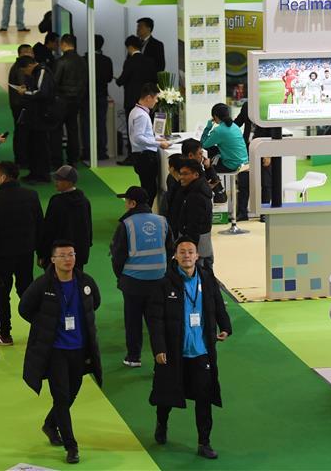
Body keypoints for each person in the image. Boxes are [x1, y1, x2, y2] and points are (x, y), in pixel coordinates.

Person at [19, 240, 102, 465]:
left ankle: (50, 423)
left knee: (72, 392)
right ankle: (71, 446)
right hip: (55, 351)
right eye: (63, 255)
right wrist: (44, 324)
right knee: (62, 397)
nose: (68, 259)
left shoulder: (86, 282)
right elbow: (24, 308)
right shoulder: (42, 285)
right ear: (53, 259)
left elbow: (94, 303)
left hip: (79, 349)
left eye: (71, 254)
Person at [150, 236, 231, 460]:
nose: (187, 255)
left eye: (190, 251)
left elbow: (218, 304)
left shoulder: (207, 279)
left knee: (204, 397)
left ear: (197, 255)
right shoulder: (164, 283)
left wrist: (225, 327)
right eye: (182, 252)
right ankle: (162, 423)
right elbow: (155, 320)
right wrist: (159, 348)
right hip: (173, 352)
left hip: (202, 351)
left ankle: (204, 442)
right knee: (166, 396)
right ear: (175, 256)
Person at [0, 161, 43, 346]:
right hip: (26, 254)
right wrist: (41, 252)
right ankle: (41, 329)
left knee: (2, 296)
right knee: (27, 292)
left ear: (3, 177)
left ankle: (5, 334)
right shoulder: (31, 195)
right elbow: (40, 225)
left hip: (3, 256)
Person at [110, 186, 169, 368]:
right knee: (157, 322)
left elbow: (118, 256)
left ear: (133, 203)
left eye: (126, 201)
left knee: (133, 321)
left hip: (133, 282)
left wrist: (121, 277)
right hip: (159, 280)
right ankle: (161, 358)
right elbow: (171, 249)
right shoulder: (162, 221)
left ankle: (133, 357)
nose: (125, 204)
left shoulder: (126, 224)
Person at [201, 103, 249, 220]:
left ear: (215, 117)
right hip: (244, 162)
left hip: (231, 165)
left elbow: (203, 144)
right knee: (214, 153)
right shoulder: (235, 126)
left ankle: (220, 194)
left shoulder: (219, 131)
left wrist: (208, 127)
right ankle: (222, 193)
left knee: (207, 168)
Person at [40, 166, 92, 268]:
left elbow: (49, 230)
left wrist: (43, 254)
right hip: (78, 255)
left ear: (68, 182)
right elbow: (88, 228)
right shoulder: (84, 201)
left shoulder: (56, 202)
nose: (55, 182)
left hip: (58, 254)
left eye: (58, 180)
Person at [128, 83, 171, 207]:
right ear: (148, 98)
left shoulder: (136, 111)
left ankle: (143, 211)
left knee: (147, 188)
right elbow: (138, 137)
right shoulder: (141, 115)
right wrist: (158, 143)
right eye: (155, 98)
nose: (156, 101)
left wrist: (156, 139)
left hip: (141, 155)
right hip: (145, 156)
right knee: (149, 190)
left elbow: (141, 135)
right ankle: (144, 212)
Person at [169, 160, 214, 272]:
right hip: (203, 245)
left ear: (196, 175)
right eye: (180, 174)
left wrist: (189, 248)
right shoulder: (199, 189)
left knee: (197, 273)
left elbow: (194, 225)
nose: (181, 177)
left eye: (185, 174)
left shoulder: (195, 196)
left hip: (196, 245)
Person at [15, 56, 55, 183]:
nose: (24, 73)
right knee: (33, 145)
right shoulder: (37, 72)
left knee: (41, 146)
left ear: (29, 66)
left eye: (24, 70)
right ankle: (34, 173)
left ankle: (42, 175)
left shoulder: (42, 71)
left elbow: (41, 92)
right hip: (36, 115)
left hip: (42, 116)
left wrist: (25, 93)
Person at [117, 35, 157, 161]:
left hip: (132, 101)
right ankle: (149, 153)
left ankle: (132, 156)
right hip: (147, 100)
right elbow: (154, 80)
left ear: (130, 47)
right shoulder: (150, 61)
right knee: (147, 129)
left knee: (133, 130)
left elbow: (122, 80)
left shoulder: (130, 61)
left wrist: (118, 80)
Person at [51, 34, 88, 167]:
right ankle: (73, 160)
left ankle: (57, 161)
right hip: (76, 100)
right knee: (73, 131)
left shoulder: (60, 61)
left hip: (61, 101)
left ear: (64, 44)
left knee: (56, 131)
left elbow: (54, 82)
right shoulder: (82, 61)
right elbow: (85, 81)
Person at [81, 34, 113, 160]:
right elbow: (109, 78)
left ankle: (87, 151)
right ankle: (101, 151)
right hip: (101, 95)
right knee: (101, 123)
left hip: (86, 96)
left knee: (86, 124)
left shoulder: (84, 59)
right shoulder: (107, 60)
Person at [8, 44, 33, 166]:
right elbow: (23, 86)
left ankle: (21, 158)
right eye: (29, 52)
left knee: (20, 132)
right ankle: (22, 159)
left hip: (17, 104)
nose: (31, 55)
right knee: (22, 132)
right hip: (21, 105)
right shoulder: (21, 68)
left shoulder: (16, 66)